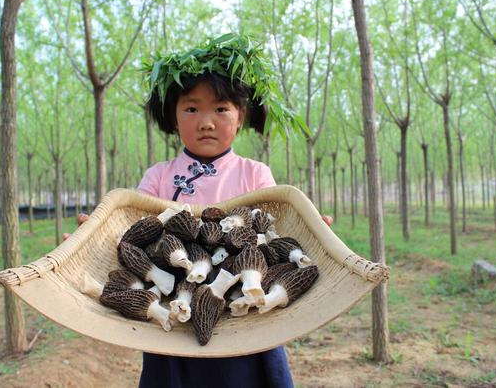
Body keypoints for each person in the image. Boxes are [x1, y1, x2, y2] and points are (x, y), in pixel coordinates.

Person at [66, 34, 333, 387]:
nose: (206, 121)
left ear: (240, 117)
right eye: (191, 109)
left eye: (220, 109)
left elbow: (274, 233)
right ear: (173, 118)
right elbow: (133, 228)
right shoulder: (159, 176)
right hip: (177, 320)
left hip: (245, 323)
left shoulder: (255, 174)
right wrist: (94, 235)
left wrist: (311, 235)